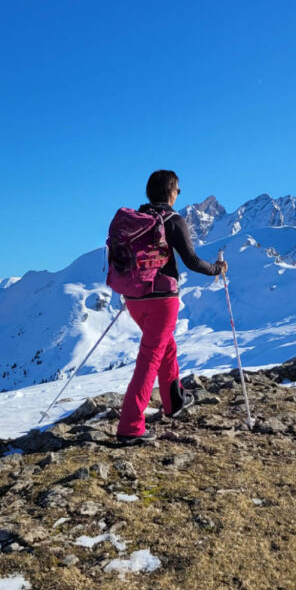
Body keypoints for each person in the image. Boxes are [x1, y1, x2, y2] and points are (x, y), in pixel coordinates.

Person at [116, 169, 226, 444]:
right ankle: (130, 426)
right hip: (162, 299)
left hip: (134, 297)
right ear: (171, 191)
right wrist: (217, 269)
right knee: (150, 357)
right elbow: (192, 261)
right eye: (178, 189)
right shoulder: (173, 220)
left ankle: (174, 400)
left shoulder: (136, 220)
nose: (178, 194)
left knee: (165, 346)